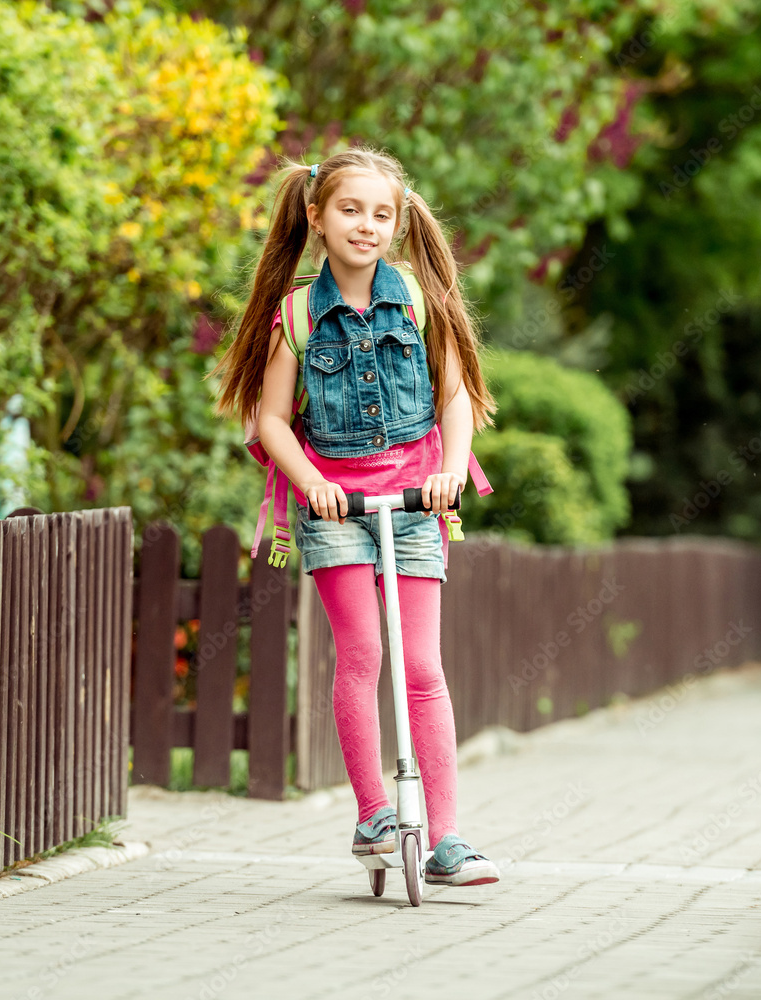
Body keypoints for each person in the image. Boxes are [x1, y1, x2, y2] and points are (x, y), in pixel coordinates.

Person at [209, 146, 501, 886]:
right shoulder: (297, 316)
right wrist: (311, 482)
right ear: (316, 217)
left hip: (413, 500)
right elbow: (272, 420)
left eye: (381, 213)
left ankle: (449, 839)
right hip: (335, 504)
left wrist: (446, 471)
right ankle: (373, 812)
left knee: (423, 668)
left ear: (398, 223)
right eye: (349, 210)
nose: (366, 226)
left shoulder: (420, 301)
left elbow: (456, 397)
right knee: (362, 655)